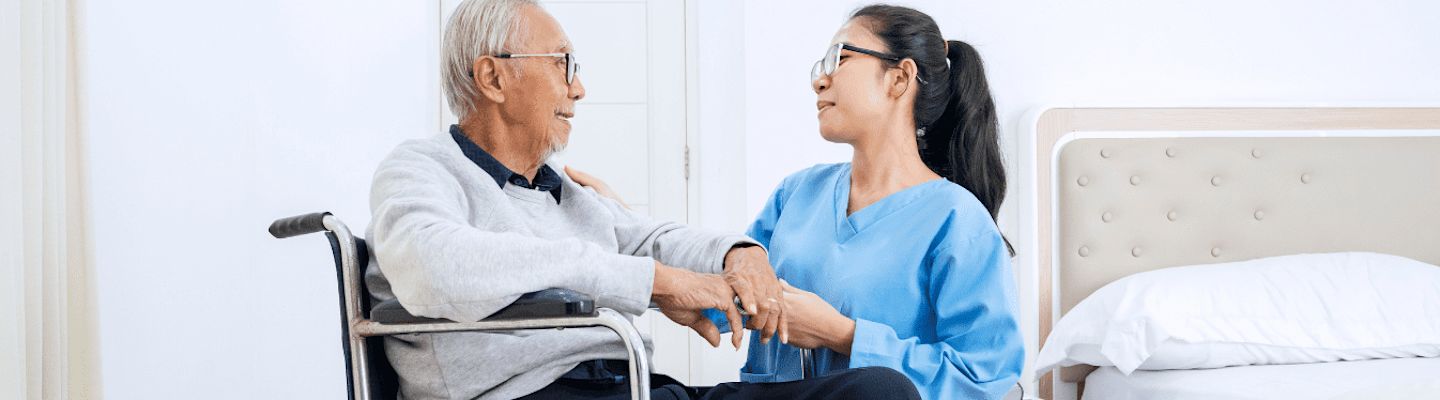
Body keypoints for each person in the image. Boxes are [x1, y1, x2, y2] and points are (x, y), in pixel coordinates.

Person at [365, 0, 920, 399]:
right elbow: (434, 266)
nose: (578, 88)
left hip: (630, 385)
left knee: (880, 389)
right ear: (492, 76)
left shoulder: (564, 191)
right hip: (528, 392)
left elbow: (650, 238)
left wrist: (738, 254)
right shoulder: (420, 170)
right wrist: (655, 282)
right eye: (563, 64)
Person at [573, 4, 1024, 399]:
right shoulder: (799, 193)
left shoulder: (957, 221)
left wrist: (843, 335)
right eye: (821, 64)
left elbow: (982, 379)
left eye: (840, 59)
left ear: (900, 78)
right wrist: (623, 225)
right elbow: (727, 297)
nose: (820, 80)